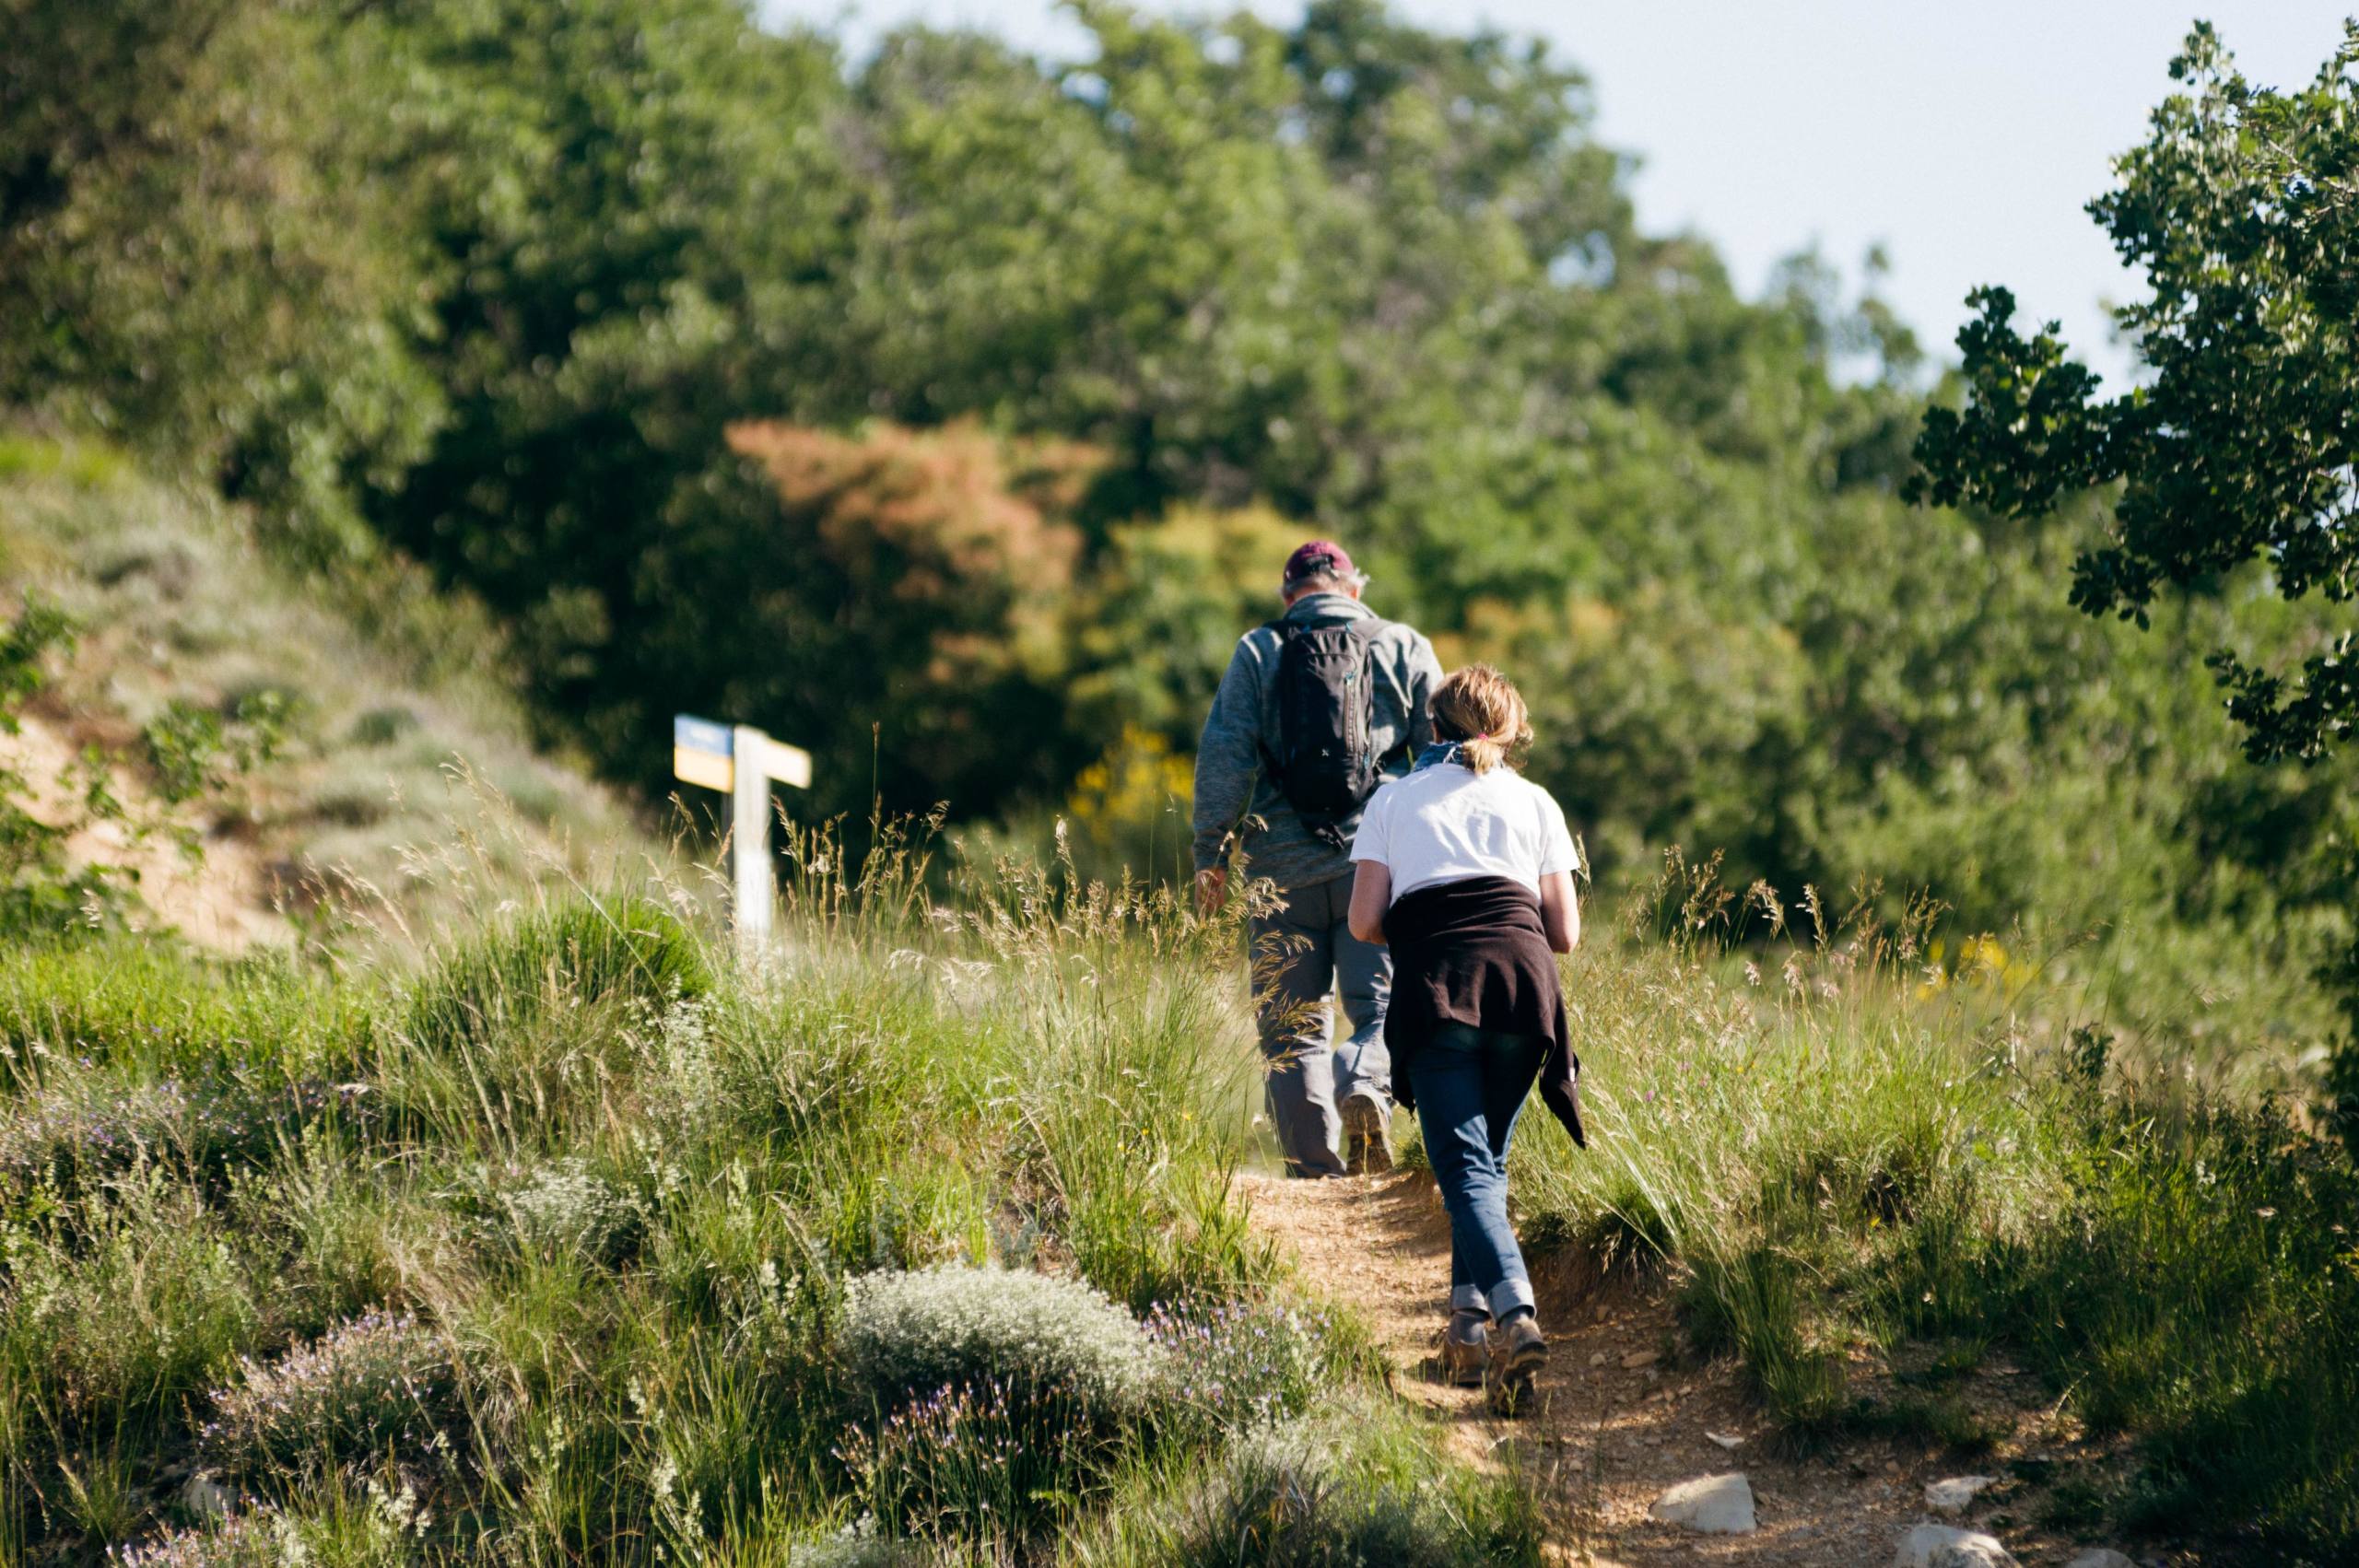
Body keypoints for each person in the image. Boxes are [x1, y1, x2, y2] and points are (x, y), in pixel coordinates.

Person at [1345, 662, 1585, 1414]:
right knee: (1481, 1164)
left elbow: (1362, 921)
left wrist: (1424, 924)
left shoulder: (1395, 798)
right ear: (1512, 730)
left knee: (1465, 1168)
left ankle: (1515, 1317)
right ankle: (1467, 1331)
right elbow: (1566, 933)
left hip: (1441, 987)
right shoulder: (1537, 801)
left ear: (1434, 726)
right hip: (1524, 988)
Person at [1192, 540, 1443, 1178]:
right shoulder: (1403, 645)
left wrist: (1211, 853)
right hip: (1377, 869)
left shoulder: (1259, 650)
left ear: (1288, 596)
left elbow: (1226, 755)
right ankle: (1362, 1079)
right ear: (1352, 588)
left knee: (1290, 1027)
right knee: (1382, 1010)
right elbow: (1440, 758)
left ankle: (1314, 1171)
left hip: (1280, 872)